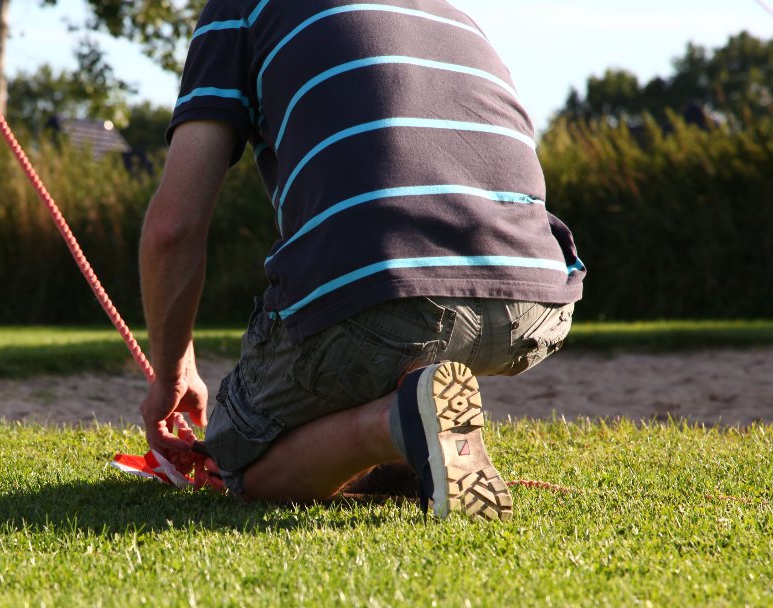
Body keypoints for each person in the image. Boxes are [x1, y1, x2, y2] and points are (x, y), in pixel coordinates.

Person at [138, 0, 586, 520]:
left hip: (383, 283)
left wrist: (171, 372)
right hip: (539, 295)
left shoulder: (239, 7)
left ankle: (394, 424)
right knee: (381, 342)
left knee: (238, 461)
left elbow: (173, 227)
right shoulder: (447, 11)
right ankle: (414, 441)